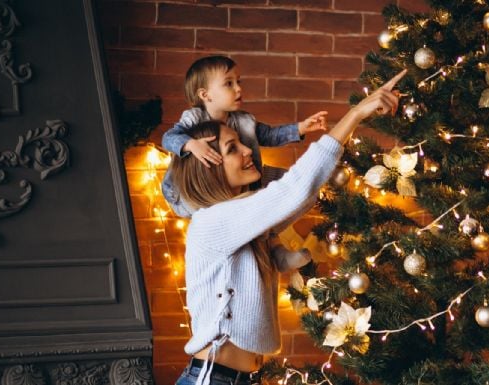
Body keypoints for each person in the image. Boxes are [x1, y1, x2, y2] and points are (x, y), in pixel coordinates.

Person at [171, 69, 406, 385]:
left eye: (241, 143)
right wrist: (356, 114)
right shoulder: (212, 221)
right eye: (231, 149)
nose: (246, 151)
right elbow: (295, 189)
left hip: (236, 378)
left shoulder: (242, 219)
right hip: (214, 378)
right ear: (208, 170)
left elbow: (301, 196)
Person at [161, 55, 328, 264]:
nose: (238, 89)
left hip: (246, 181)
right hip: (191, 192)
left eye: (239, 82)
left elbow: (268, 135)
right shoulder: (194, 119)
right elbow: (168, 138)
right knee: (247, 215)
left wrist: (300, 128)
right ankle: (274, 251)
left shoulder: (242, 120)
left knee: (292, 190)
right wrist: (191, 145)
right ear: (205, 95)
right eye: (228, 84)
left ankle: (275, 250)